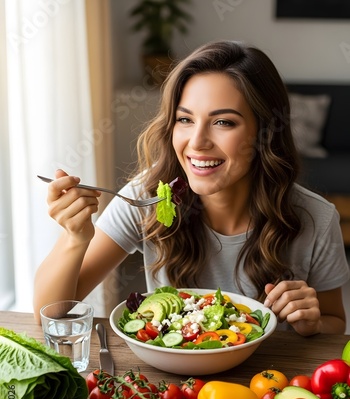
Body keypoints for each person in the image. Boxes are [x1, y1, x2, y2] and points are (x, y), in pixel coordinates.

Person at [34, 40, 350, 336]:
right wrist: (75, 238)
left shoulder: (316, 218)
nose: (197, 142)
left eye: (223, 122)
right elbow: (49, 314)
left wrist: (313, 323)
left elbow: (334, 322)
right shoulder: (147, 197)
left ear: (264, 132)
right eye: (185, 120)